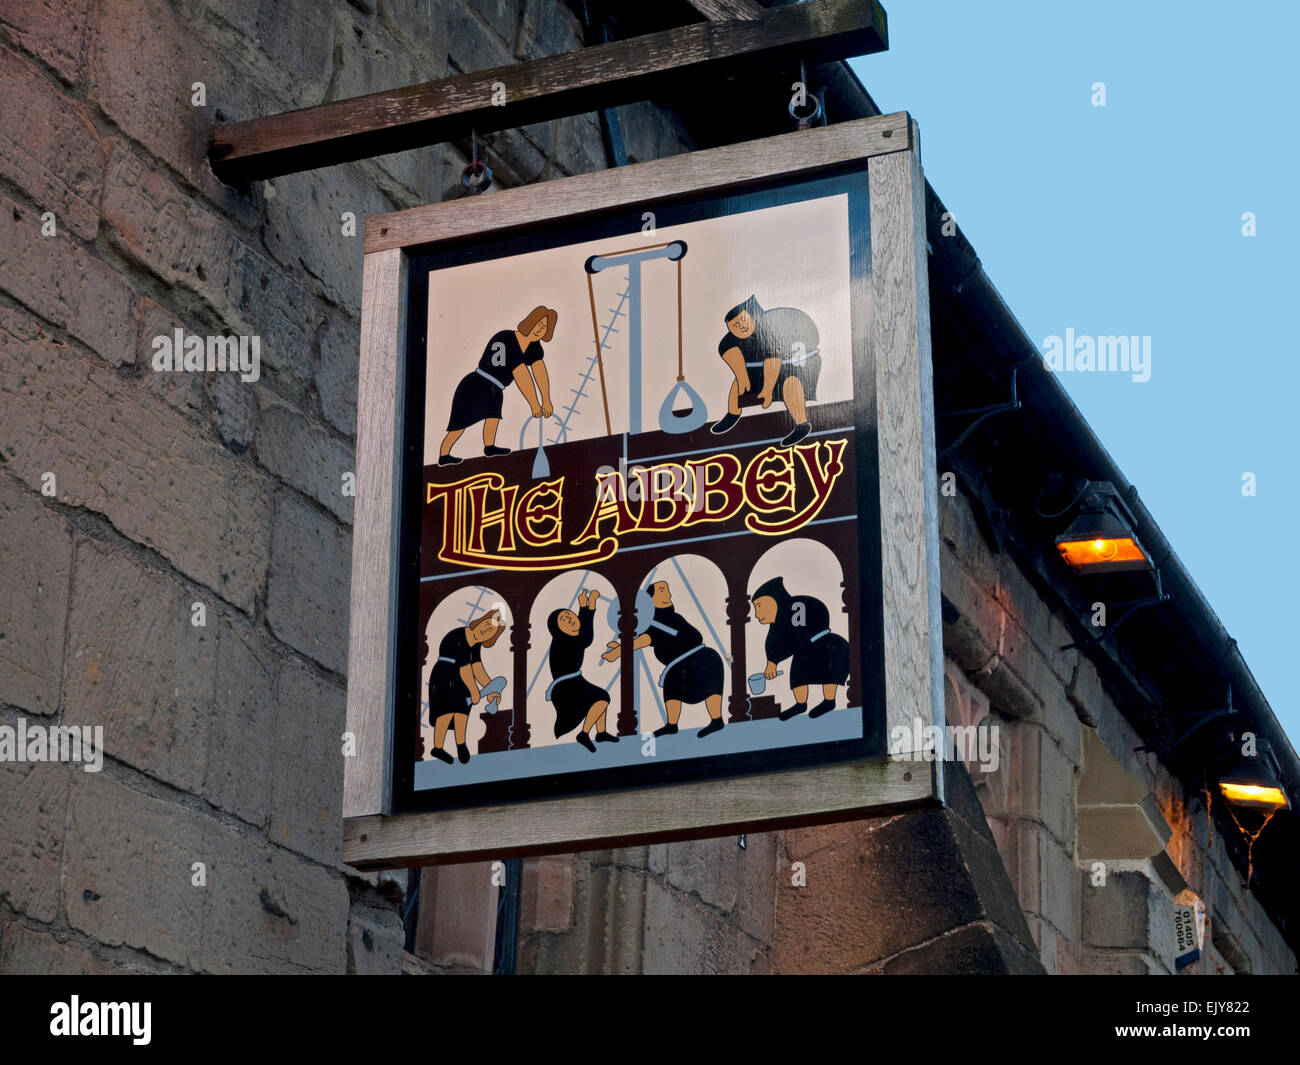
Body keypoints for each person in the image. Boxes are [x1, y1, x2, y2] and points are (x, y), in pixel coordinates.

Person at [602, 580, 725, 739]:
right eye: (662, 591)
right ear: (649, 599)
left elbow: (644, 639)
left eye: (667, 591)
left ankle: (716, 720)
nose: (669, 595)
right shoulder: (654, 622)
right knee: (672, 685)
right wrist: (621, 648)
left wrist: (619, 651)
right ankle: (671, 725)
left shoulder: (669, 618)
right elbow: (644, 639)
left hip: (702, 658)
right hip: (679, 667)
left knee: (709, 684)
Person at [439, 306, 557, 465]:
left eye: (544, 327)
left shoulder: (534, 346)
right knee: (459, 424)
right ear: (531, 321)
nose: (540, 329)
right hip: (475, 384)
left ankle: (489, 446)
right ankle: (444, 454)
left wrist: (547, 400)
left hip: (496, 388)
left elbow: (539, 369)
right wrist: (535, 405)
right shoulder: (508, 338)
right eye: (538, 324)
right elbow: (521, 374)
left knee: (493, 417)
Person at [709, 295, 820, 447]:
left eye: (742, 320)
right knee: (737, 384)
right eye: (735, 326)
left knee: (791, 384)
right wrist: (742, 377)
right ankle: (733, 413)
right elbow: (727, 350)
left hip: (793, 366)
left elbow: (773, 361)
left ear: (753, 317)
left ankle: (802, 424)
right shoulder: (731, 341)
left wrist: (767, 391)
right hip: (759, 368)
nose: (741, 326)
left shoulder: (769, 330)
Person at [751, 576, 849, 721]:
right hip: (805, 652)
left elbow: (793, 638)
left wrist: (775, 659)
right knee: (798, 673)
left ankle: (829, 701)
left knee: (829, 670)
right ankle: (800, 704)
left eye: (759, 606)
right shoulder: (777, 625)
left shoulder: (796, 607)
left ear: (774, 599)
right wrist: (772, 662)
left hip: (826, 643)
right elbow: (774, 643)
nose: (757, 614)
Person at [427, 609, 506, 764]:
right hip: (445, 676)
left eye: (491, 631)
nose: (486, 630)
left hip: (460, 681)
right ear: (480, 621)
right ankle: (438, 747)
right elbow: (465, 668)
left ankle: (461, 744)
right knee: (446, 712)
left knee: (462, 712)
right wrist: (475, 690)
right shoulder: (460, 636)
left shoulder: (476, 645)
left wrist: (490, 687)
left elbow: (477, 668)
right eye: (486, 625)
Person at [545, 589, 618, 753]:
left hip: (574, 682)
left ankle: (601, 733)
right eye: (564, 619)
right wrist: (586, 606)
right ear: (558, 628)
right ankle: (584, 734)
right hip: (566, 687)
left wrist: (586, 605)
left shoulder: (570, 638)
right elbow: (585, 638)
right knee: (601, 699)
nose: (570, 619)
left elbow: (584, 635)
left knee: (601, 697)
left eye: (569, 615)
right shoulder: (562, 642)